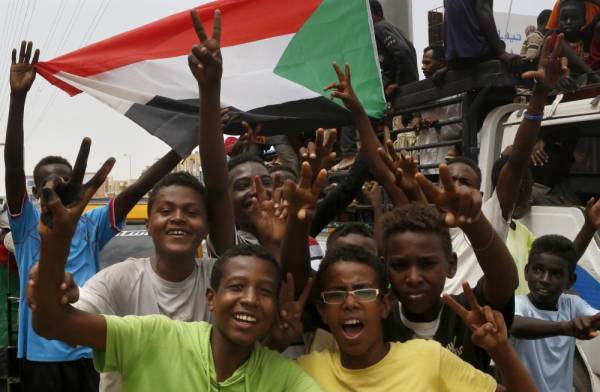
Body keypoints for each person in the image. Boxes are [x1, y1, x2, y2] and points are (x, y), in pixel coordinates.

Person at [28, 162, 322, 391]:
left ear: (208, 226)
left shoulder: (224, 276)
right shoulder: (147, 329)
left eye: (191, 211)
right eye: (166, 210)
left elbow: (268, 294)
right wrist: (54, 251)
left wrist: (282, 238)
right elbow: (52, 323)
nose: (178, 218)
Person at [5, 42, 183, 391]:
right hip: (42, 359)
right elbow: (13, 168)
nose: (57, 190)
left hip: (89, 347)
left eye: (67, 183)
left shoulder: (91, 225)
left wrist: (183, 144)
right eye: (47, 186)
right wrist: (17, 99)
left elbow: (138, 187)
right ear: (36, 195)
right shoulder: (27, 228)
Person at [297, 245, 537, 391]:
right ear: (322, 311)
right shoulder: (304, 371)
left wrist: (502, 352)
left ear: (385, 305)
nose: (350, 303)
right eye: (337, 294)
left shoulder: (428, 357)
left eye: (364, 292)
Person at [382, 176, 518, 371]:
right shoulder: (379, 321)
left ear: (451, 265)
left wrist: (474, 222)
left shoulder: (470, 315)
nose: (413, 278)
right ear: (385, 267)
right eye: (399, 265)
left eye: (427, 264)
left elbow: (504, 282)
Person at [510, 235, 600, 391]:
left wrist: (593, 323)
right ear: (526, 272)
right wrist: (565, 328)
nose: (545, 279)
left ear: (570, 280)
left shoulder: (571, 304)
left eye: (556, 274)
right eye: (538, 270)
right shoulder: (517, 304)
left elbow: (594, 318)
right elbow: (515, 326)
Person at [412, 44, 462, 174]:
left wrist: (439, 124)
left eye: (428, 63)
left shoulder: (456, 91)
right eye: (423, 63)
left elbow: (459, 129)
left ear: (441, 64)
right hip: (426, 163)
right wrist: (416, 119)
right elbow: (416, 115)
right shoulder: (423, 92)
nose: (423, 67)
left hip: (446, 162)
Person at [443, 0, 521, 70]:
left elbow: (446, 21)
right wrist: (501, 52)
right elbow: (483, 9)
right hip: (477, 54)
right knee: (512, 61)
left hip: (454, 59)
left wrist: (448, 59)